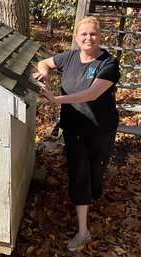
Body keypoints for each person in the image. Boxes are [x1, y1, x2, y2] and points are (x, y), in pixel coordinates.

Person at [32, 17, 120, 252]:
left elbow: (91, 94)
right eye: (84, 34)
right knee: (79, 174)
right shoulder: (68, 57)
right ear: (76, 37)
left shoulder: (109, 63)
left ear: (99, 36)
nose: (88, 38)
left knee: (95, 175)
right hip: (74, 128)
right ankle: (83, 232)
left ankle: (91, 196)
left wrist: (56, 99)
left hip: (101, 128)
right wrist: (45, 75)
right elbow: (44, 62)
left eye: (93, 34)